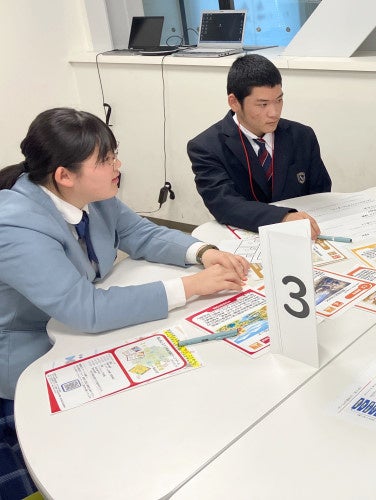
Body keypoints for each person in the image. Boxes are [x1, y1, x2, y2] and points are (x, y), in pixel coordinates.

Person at [0, 108, 251, 497]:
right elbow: (86, 309)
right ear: (64, 175)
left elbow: (141, 234)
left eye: (114, 154)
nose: (118, 166)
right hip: (29, 348)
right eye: (105, 160)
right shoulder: (15, 224)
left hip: (77, 330)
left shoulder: (93, 195)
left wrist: (203, 252)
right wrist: (191, 287)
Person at [189, 54, 332, 238]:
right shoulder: (206, 147)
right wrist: (283, 218)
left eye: (279, 100)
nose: (274, 113)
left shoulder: (302, 136)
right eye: (262, 104)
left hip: (304, 235)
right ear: (234, 102)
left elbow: (320, 194)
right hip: (246, 237)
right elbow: (224, 204)